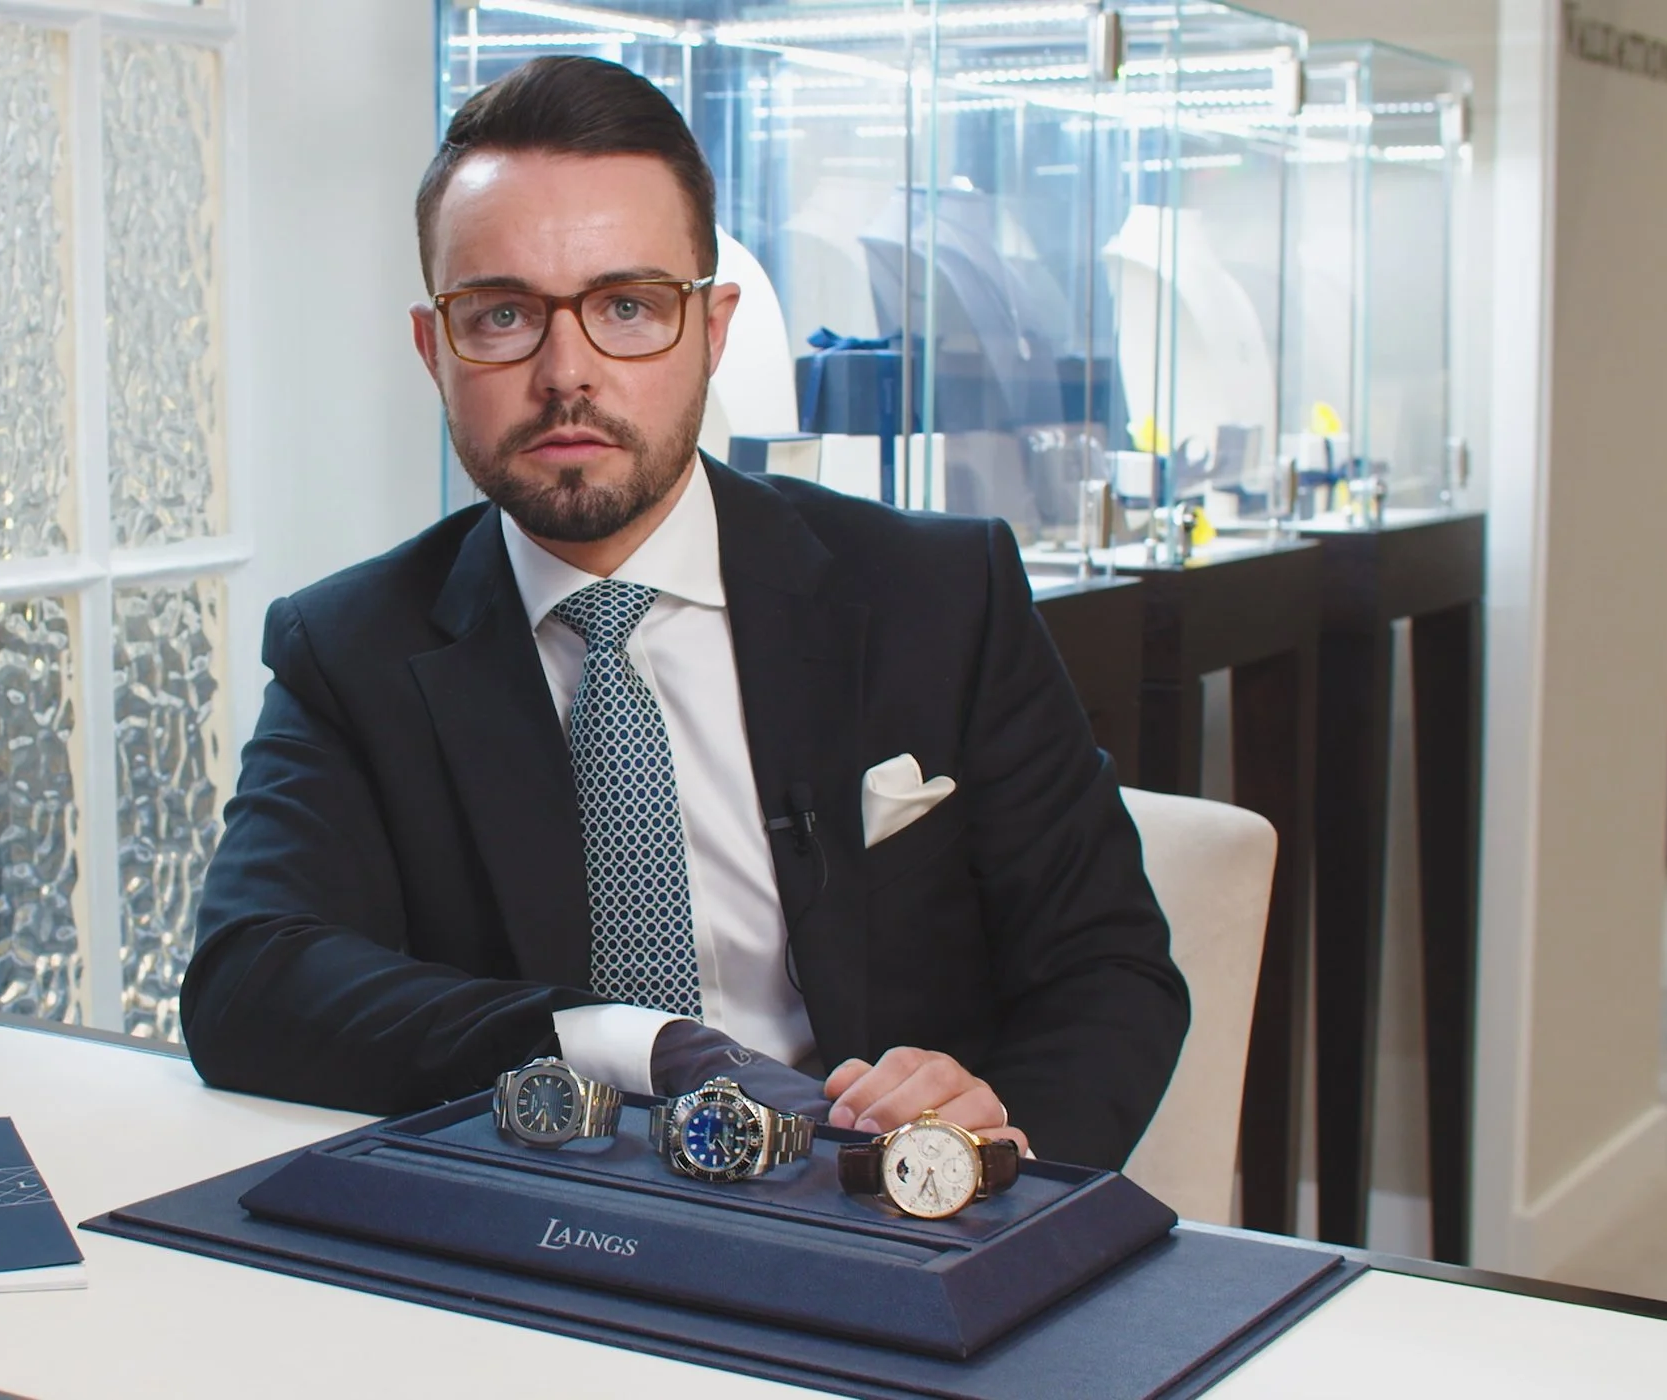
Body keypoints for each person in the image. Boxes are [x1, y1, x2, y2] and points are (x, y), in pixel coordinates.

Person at [180, 56, 1187, 1170]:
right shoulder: (350, 649)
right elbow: (248, 983)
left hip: (883, 1210)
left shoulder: (940, 596)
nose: (567, 372)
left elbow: (1109, 965)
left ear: (712, 328)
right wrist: (619, 1044)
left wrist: (985, 1165)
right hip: (541, 1217)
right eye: (502, 313)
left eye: (627, 307)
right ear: (435, 350)